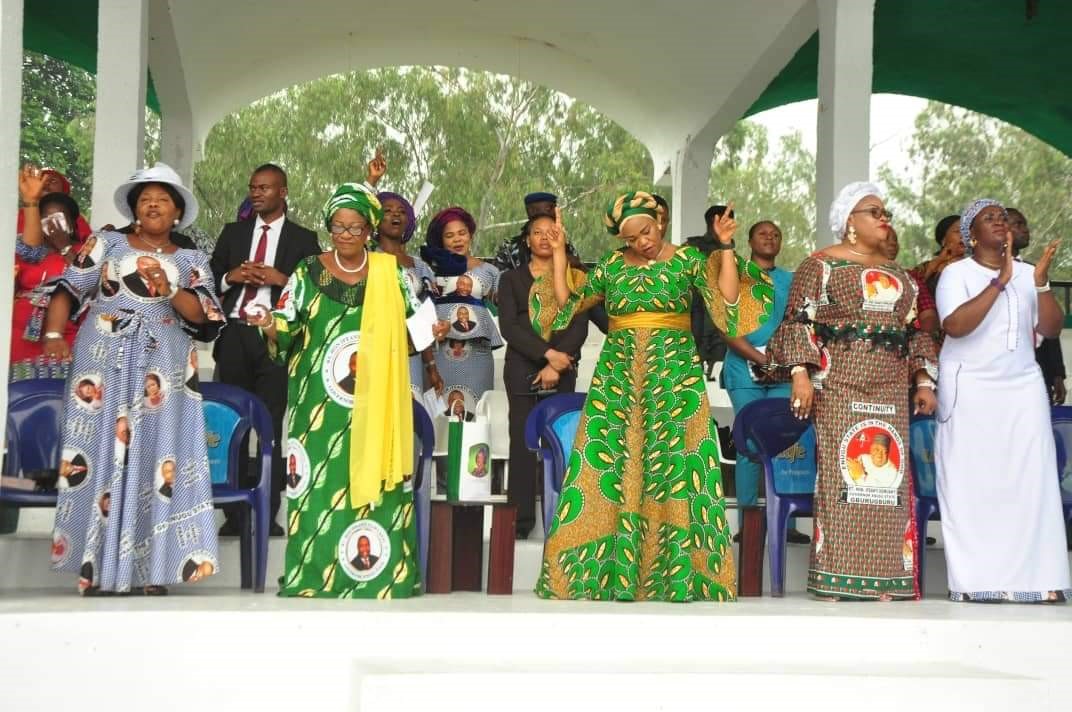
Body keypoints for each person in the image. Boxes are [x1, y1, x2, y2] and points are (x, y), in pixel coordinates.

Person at [536, 192, 746, 602]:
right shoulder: (613, 265)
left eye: (646, 231)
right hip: (619, 378)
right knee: (615, 463)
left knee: (676, 464)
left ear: (660, 220)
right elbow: (566, 304)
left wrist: (725, 247)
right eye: (631, 237)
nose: (642, 242)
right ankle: (605, 572)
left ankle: (681, 575)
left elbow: (728, 302)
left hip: (675, 377)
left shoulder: (687, 260)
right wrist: (560, 253)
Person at [41, 162, 224, 595]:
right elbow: (68, 289)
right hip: (102, 360)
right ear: (134, 209)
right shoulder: (106, 243)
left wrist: (169, 290)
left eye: (163, 199)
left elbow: (205, 317)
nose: (153, 205)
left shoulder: (192, 259)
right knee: (100, 453)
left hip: (165, 367)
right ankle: (97, 566)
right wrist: (52, 334)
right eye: (145, 199)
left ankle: (151, 571)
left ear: (178, 211)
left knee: (156, 460)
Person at [250, 182, 429, 598]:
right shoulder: (307, 271)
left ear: (369, 230)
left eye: (355, 228)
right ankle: (312, 577)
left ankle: (385, 578)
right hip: (318, 407)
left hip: (378, 403)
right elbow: (287, 321)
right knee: (316, 489)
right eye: (338, 227)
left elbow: (415, 327)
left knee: (380, 488)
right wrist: (269, 326)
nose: (345, 235)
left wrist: (428, 332)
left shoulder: (391, 273)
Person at [768, 182, 937, 601]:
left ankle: (885, 579)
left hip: (890, 385)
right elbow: (799, 321)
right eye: (873, 212)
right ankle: (835, 577)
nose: (884, 219)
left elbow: (914, 330)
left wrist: (924, 380)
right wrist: (801, 375)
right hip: (839, 382)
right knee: (845, 477)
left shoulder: (901, 275)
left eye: (886, 213)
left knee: (888, 479)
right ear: (849, 223)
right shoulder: (821, 265)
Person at [935, 199, 1070, 603]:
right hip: (970, 389)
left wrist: (1041, 283)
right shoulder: (955, 274)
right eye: (988, 219)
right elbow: (955, 326)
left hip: (1022, 388)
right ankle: (977, 581)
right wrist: (999, 282)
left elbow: (1049, 327)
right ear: (970, 236)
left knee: (1033, 480)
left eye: (1003, 218)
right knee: (974, 483)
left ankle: (1039, 580)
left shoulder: (1030, 274)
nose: (999, 222)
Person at [210, 163, 321, 536]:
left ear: (283, 192)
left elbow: (317, 291)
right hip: (235, 335)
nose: (257, 193)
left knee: (271, 428)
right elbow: (207, 280)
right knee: (231, 427)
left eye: (265, 188)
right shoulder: (233, 233)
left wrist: (282, 280)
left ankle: (268, 514)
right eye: (253, 187)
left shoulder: (304, 239)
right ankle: (233, 515)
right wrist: (232, 276)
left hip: (276, 339)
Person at [498, 214, 590, 539]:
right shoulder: (510, 279)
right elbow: (509, 326)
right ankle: (519, 526)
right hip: (521, 369)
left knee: (561, 444)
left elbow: (579, 324)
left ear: (560, 237)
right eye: (536, 232)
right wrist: (546, 355)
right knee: (522, 446)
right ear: (527, 240)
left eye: (550, 232)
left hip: (562, 368)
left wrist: (557, 364)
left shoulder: (573, 278)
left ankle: (562, 524)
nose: (543, 238)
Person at [720, 220, 809, 544]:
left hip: (785, 371)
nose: (770, 238)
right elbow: (726, 326)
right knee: (750, 443)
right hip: (744, 370)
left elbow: (801, 325)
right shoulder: (736, 275)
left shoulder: (792, 279)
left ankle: (787, 523)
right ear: (749, 240)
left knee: (787, 442)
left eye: (776, 234)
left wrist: (784, 362)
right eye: (763, 233)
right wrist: (761, 360)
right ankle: (750, 523)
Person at [420, 207, 503, 411]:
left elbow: (503, 302)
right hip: (438, 353)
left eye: (462, 233)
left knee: (477, 410)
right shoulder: (428, 270)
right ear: (441, 240)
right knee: (439, 411)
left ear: (470, 235)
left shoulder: (489, 271)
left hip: (478, 355)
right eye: (449, 235)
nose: (457, 239)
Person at [373, 179, 444, 398]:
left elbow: (421, 318)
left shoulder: (421, 266)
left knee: (411, 417)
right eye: (388, 211)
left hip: (411, 355)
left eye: (402, 212)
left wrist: (431, 368)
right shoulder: (368, 260)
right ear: (375, 219)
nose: (395, 215)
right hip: (376, 352)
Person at [11, 169, 85, 379]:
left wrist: (63, 246)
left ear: (72, 223)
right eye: (44, 218)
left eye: (58, 217)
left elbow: (84, 277)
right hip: (21, 335)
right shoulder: (32, 252)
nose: (51, 223)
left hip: (64, 336)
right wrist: (31, 202)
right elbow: (28, 250)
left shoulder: (85, 250)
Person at [1008, 207, 1067, 405]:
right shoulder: (983, 272)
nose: (1026, 230)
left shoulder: (1034, 271)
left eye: (1025, 224)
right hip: (1003, 370)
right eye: (1019, 224)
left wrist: (1057, 373)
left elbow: (1048, 324)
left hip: (1038, 367)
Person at [686, 205, 735, 376]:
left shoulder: (730, 253)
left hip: (721, 327)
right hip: (694, 322)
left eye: (729, 221)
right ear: (710, 222)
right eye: (722, 221)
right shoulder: (690, 249)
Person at [491, 191, 579, 271]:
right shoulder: (510, 248)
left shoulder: (564, 244)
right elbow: (497, 282)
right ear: (531, 211)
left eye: (552, 209)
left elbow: (584, 281)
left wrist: (576, 265)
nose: (552, 213)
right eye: (548, 209)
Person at [881, 226, 940, 337]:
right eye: (886, 239)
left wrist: (919, 337)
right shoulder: (855, 275)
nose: (893, 244)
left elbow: (928, 314)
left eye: (895, 240)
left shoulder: (910, 278)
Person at [16, 165, 93, 240]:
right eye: (41, 180)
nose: (45, 183)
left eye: (53, 181)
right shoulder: (22, 214)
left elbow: (89, 245)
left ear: (63, 192)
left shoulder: (74, 217)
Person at [910, 215, 963, 298]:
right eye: (958, 231)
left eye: (967, 231)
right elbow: (910, 290)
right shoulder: (926, 267)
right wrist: (938, 261)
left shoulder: (977, 263)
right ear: (943, 240)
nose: (964, 235)